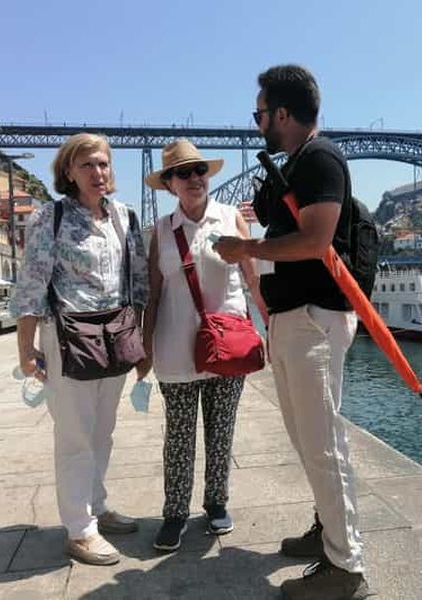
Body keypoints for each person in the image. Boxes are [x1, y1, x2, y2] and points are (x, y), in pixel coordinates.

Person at [215, 65, 370, 600]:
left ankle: (346, 569)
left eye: (259, 113)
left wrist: (246, 250)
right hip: (292, 319)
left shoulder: (322, 159)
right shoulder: (296, 164)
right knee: (309, 438)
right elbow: (281, 221)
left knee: (323, 442)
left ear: (282, 113)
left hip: (314, 319)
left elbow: (314, 241)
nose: (257, 122)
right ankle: (328, 532)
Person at [10, 133, 149, 566]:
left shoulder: (124, 217)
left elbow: (137, 282)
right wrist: (26, 348)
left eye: (104, 164)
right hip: (68, 335)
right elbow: (32, 283)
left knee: (102, 431)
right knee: (74, 436)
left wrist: (140, 341)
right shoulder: (50, 218)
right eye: (87, 165)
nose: (98, 173)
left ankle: (96, 504)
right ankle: (79, 528)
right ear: (68, 171)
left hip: (115, 334)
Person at [138, 139, 268, 553]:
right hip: (175, 347)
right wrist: (144, 346)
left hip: (228, 347)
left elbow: (252, 278)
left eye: (200, 171)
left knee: (221, 431)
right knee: (178, 436)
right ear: (169, 184)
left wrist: (271, 321)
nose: (194, 178)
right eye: (184, 173)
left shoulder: (231, 218)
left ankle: (216, 504)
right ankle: (175, 513)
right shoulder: (160, 231)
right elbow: (153, 294)